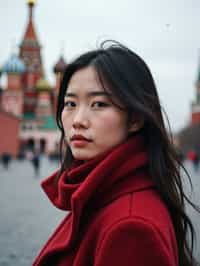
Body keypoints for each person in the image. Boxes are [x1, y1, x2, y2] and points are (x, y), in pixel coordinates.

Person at [33, 41, 199, 266]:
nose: (78, 120)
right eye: (70, 103)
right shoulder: (97, 194)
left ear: (135, 119)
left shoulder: (131, 228)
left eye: (99, 104)